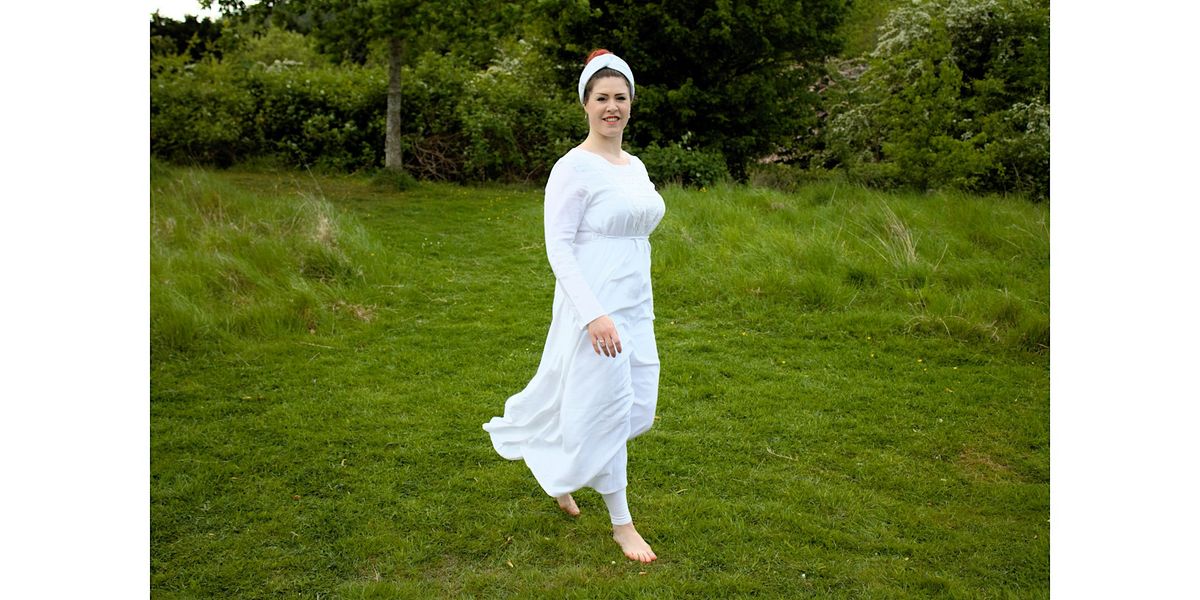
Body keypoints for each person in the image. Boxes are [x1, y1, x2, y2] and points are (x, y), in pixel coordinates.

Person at [483, 49, 664, 564]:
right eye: (601, 98)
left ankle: (560, 467)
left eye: (620, 97)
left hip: (636, 303)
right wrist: (593, 314)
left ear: (632, 103)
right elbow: (558, 247)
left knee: (638, 406)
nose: (612, 107)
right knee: (608, 407)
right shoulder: (572, 167)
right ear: (585, 103)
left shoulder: (635, 166)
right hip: (595, 307)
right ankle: (622, 524)